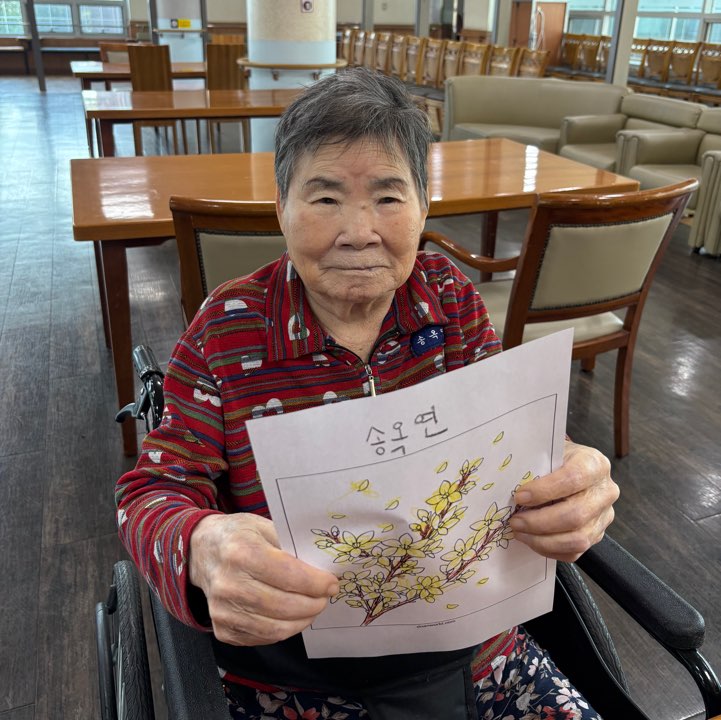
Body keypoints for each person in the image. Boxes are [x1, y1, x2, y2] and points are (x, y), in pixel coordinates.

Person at [116, 66, 619, 720]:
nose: (358, 231)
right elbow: (150, 493)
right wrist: (200, 546)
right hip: (297, 682)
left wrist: (570, 475)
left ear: (423, 208)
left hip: (476, 650)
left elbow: (512, 443)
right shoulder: (228, 330)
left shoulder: (448, 300)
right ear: (280, 209)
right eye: (325, 199)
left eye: (387, 197)